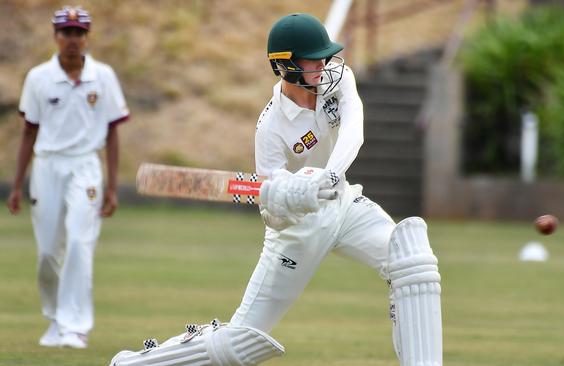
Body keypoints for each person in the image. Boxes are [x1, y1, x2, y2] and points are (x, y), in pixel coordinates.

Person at [109, 13, 442, 366]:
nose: (324, 65)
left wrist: (328, 176)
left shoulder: (338, 79)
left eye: (325, 56)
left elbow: (354, 130)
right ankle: (135, 363)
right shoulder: (271, 128)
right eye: (314, 59)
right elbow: (272, 212)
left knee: (412, 260)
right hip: (298, 232)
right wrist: (291, 196)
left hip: (344, 204)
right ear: (287, 66)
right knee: (239, 343)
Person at [6, 6, 130, 349]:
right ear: (55, 36)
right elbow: (29, 132)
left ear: (86, 37)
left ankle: (76, 326)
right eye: (66, 32)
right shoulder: (38, 78)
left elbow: (113, 133)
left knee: (79, 241)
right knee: (47, 252)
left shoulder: (102, 76)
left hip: (86, 166)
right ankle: (56, 318)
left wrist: (113, 187)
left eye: (78, 32)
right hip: (47, 167)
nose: (72, 39)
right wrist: (17, 185)